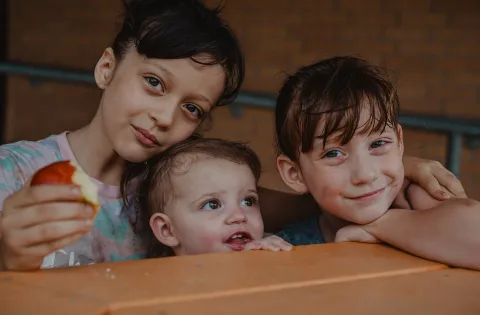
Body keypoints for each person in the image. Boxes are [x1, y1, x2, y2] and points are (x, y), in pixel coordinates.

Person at [0, 0, 465, 271]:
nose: (164, 116)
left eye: (192, 108)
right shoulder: (14, 171)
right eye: (155, 83)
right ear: (106, 68)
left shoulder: (185, 185)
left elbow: (314, 198)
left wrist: (399, 172)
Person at [274, 56, 480, 270]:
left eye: (378, 143)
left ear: (399, 142)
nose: (365, 174)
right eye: (333, 154)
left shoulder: (413, 199)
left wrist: (381, 227)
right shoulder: (288, 248)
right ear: (294, 173)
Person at [123, 137, 292, 257]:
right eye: (212, 204)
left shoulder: (262, 257)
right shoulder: (159, 287)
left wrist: (271, 266)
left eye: (248, 201)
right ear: (167, 230)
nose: (239, 216)